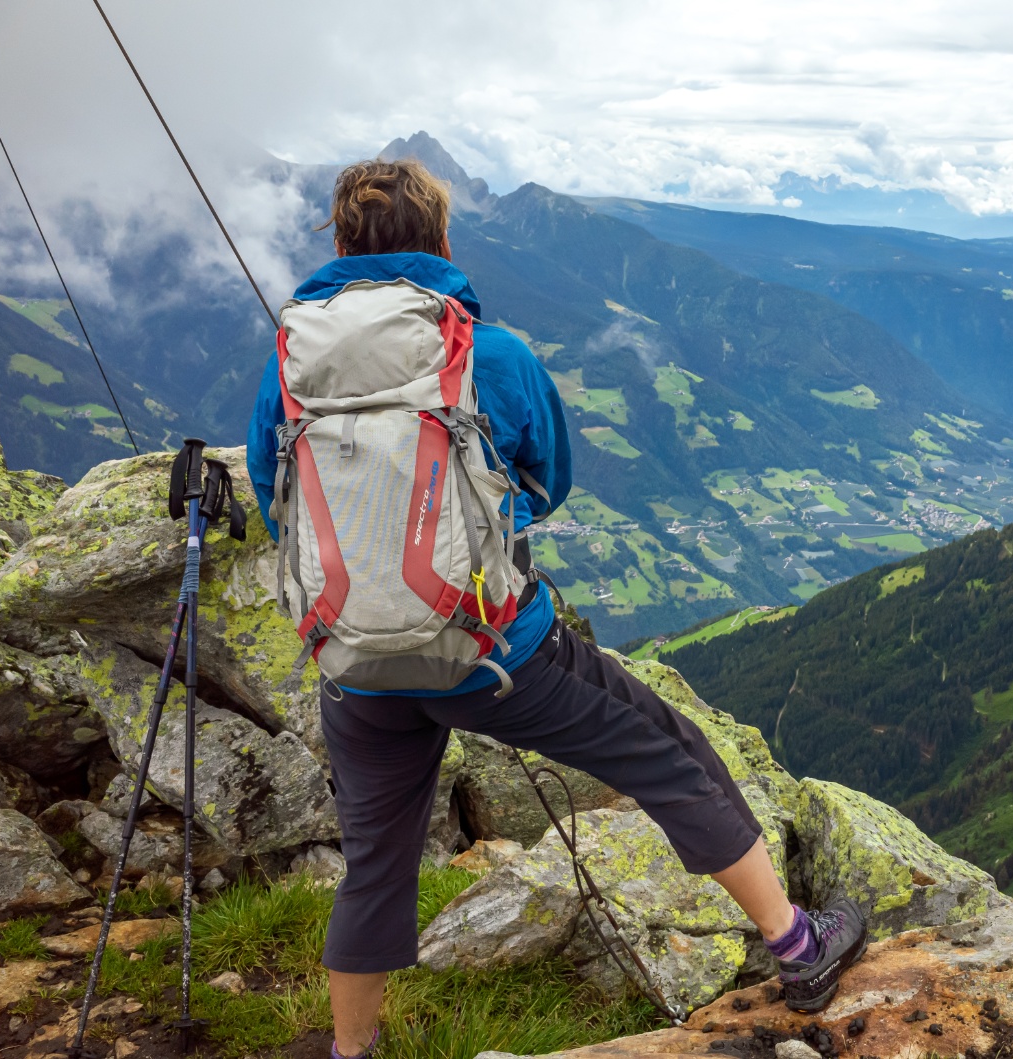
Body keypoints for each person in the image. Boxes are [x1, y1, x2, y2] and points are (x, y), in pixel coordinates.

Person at [246, 158, 867, 1059]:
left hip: (354, 669)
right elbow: (550, 480)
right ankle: (799, 949)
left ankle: (351, 1051)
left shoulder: (289, 365)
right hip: (496, 656)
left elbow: (278, 503)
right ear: (443, 243)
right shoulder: (488, 356)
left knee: (375, 858)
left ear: (338, 246)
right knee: (669, 750)